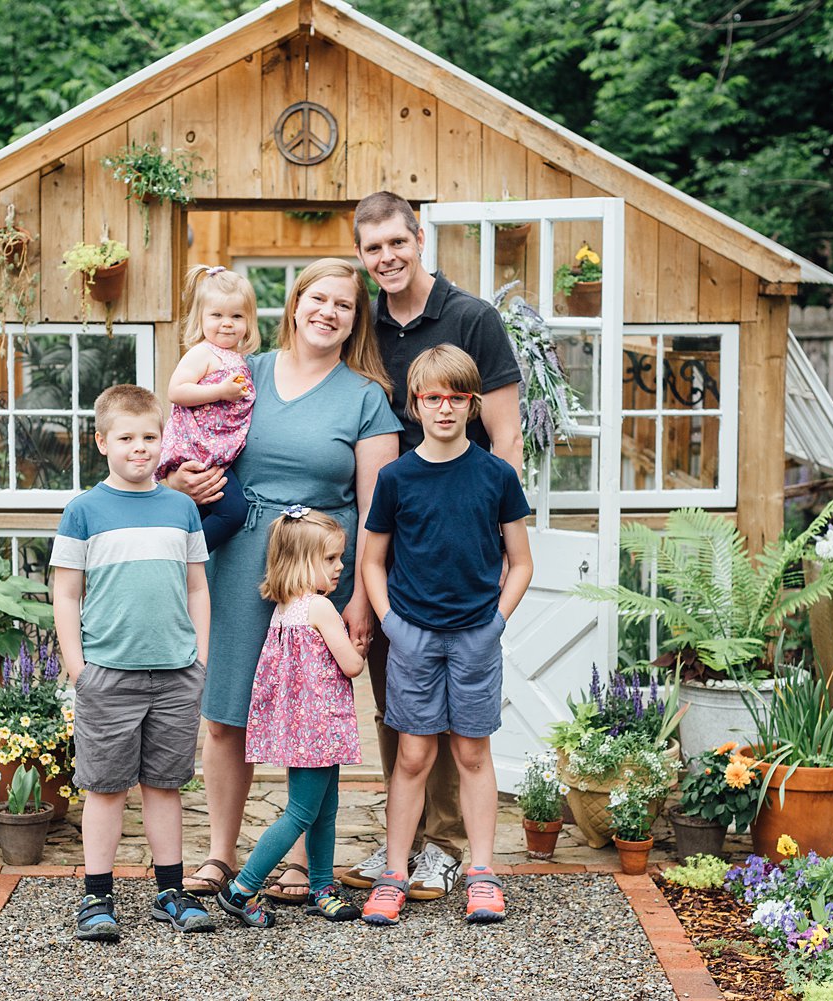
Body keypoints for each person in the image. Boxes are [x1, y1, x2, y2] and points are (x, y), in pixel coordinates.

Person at [166, 259, 401, 903]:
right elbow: (184, 437)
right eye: (317, 299)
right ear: (294, 305)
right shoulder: (243, 371)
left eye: (344, 305)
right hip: (242, 554)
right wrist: (178, 480)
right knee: (225, 713)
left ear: (356, 320)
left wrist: (359, 595)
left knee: (310, 718)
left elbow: (378, 508)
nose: (328, 312)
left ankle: (301, 860)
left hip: (322, 574)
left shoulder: (365, 397)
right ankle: (220, 851)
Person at [342, 190, 525, 901]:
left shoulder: (472, 317)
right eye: (373, 248)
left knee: (464, 726)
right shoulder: (366, 325)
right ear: (362, 255)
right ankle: (410, 841)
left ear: (420, 238)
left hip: (464, 538)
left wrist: (489, 535)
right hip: (397, 526)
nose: (386, 258)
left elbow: (504, 435)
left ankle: (448, 847)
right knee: (402, 707)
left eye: (397, 242)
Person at [359, 345, 533, 926]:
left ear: (473, 405)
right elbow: (373, 562)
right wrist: (390, 623)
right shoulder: (397, 477)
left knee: (471, 752)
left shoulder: (495, 475)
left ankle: (481, 874)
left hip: (474, 637)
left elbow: (521, 562)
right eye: (433, 397)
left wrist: (496, 622)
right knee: (411, 755)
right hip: (413, 636)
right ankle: (393, 872)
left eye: (457, 398)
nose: (445, 407)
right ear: (415, 404)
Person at [51, 384, 216, 943]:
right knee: (105, 787)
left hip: (174, 671)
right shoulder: (84, 511)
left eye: (150, 437)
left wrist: (201, 653)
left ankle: (171, 891)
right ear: (102, 442)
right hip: (108, 674)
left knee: (165, 785)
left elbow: (197, 587)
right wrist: (78, 666)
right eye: (126, 438)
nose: (140, 448)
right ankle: (97, 898)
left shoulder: (181, 508)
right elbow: (66, 592)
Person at [216, 507, 365, 928]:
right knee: (302, 812)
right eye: (331, 559)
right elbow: (350, 665)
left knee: (325, 808)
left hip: (303, 729)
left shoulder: (286, 608)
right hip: (317, 729)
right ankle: (243, 888)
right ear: (303, 562)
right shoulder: (318, 608)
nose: (340, 567)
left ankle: (321, 887)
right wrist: (361, 645)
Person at [157, 265, 260, 551]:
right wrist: (221, 392)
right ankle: (182, 556)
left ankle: (190, 562)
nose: (227, 323)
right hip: (199, 451)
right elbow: (176, 391)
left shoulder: (237, 358)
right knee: (233, 512)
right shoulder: (202, 352)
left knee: (204, 511)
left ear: (249, 321)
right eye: (217, 315)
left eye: (237, 316)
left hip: (217, 453)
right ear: (200, 318)